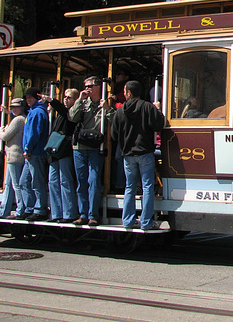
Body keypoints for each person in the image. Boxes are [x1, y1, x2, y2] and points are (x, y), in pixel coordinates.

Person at [111, 81, 165, 230]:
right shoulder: (147, 107)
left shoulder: (120, 111)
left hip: (128, 154)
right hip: (145, 152)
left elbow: (113, 134)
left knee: (130, 187)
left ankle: (128, 220)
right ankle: (146, 222)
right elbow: (159, 125)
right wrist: (158, 110)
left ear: (128, 93)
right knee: (147, 186)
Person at [69, 76, 114, 226]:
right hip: (80, 148)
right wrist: (79, 100)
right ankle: (82, 214)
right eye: (85, 86)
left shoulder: (105, 103)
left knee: (93, 181)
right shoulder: (82, 103)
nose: (87, 89)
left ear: (98, 87)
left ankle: (93, 215)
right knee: (81, 182)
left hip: (96, 148)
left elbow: (115, 122)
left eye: (90, 86)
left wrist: (108, 109)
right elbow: (72, 118)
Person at [43, 88, 79, 223]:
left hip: (64, 151)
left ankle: (69, 213)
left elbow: (66, 114)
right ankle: (56, 213)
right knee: (53, 182)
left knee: (65, 181)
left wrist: (52, 101)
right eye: (65, 97)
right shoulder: (59, 114)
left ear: (75, 100)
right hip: (54, 151)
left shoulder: (72, 113)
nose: (66, 99)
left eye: (69, 97)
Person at [0, 98, 26, 219]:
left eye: (15, 107)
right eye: (12, 107)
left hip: (15, 156)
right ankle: (4, 210)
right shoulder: (22, 118)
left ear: (21, 108)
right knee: (9, 184)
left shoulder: (18, 120)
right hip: (13, 156)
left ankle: (20, 210)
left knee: (16, 185)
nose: (14, 109)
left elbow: (6, 136)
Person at [19, 87, 50, 221]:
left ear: (36, 98)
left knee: (37, 182)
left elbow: (34, 133)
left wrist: (28, 148)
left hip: (35, 152)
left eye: (30, 97)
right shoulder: (33, 111)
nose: (28, 100)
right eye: (26, 98)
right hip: (30, 152)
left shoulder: (37, 112)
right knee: (24, 182)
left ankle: (40, 209)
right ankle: (30, 207)